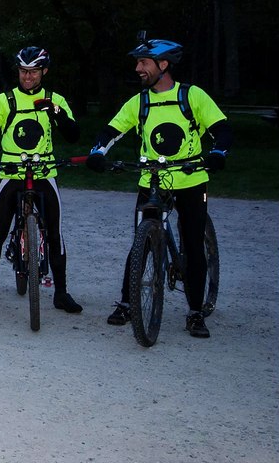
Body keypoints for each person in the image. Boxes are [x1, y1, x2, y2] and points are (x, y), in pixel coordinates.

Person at [86, 38, 232, 338]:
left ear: (163, 65)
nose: (138, 68)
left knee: (193, 244)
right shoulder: (139, 101)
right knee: (140, 243)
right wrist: (98, 152)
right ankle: (128, 302)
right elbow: (111, 131)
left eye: (144, 62)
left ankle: (194, 312)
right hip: (151, 179)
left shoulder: (192, 96)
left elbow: (222, 130)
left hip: (190, 179)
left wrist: (218, 153)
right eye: (138, 62)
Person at [0, 46, 83, 314]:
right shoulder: (4, 101)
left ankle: (61, 293)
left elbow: (73, 135)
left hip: (44, 173)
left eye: (33, 72)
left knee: (55, 233)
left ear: (44, 72)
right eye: (23, 71)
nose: (27, 77)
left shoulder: (55, 99)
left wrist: (56, 112)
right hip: (12, 173)